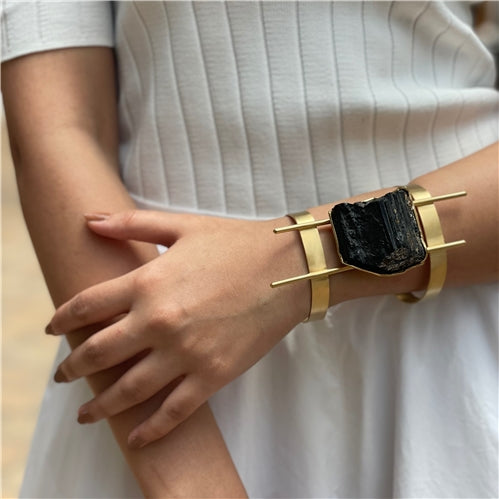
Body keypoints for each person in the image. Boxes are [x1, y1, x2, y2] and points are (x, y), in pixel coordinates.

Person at [2, 1, 498, 497]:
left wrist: (299, 261)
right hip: (161, 355)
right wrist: (194, 486)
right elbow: (59, 133)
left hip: (445, 349)